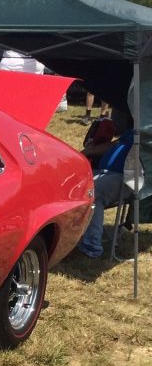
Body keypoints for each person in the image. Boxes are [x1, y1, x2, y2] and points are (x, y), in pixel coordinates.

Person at [78, 110, 134, 258]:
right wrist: (90, 150)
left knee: (92, 192)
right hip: (107, 174)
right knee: (74, 184)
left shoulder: (146, 134)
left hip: (126, 179)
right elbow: (115, 144)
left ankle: (92, 246)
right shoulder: (133, 131)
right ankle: (75, 235)